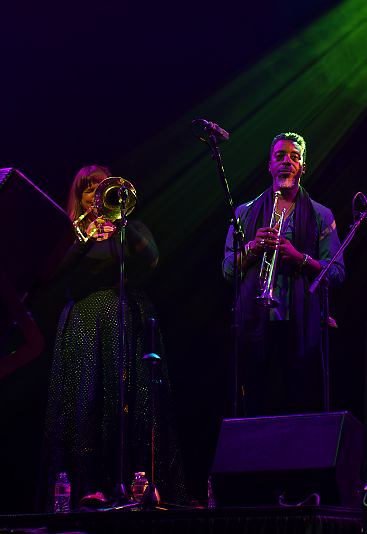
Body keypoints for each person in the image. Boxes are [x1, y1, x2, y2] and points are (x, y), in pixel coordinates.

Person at [37, 165, 187, 509]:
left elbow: (151, 259)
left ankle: (140, 488)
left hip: (126, 319)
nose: (97, 194)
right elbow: (51, 274)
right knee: (85, 406)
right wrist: (86, 236)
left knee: (130, 404)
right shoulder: (72, 233)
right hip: (85, 322)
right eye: (89, 189)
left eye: (101, 187)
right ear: (80, 197)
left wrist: (122, 224)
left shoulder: (129, 227)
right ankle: (84, 490)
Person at [223, 132, 344, 416]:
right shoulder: (244, 212)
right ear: (269, 165)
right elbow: (228, 270)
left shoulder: (321, 215)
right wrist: (253, 248)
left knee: (300, 404)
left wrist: (299, 259)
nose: (287, 162)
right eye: (280, 156)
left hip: (300, 324)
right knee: (252, 404)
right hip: (254, 322)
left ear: (303, 166)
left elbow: (337, 272)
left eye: (294, 157)